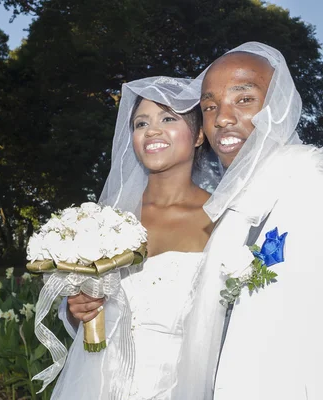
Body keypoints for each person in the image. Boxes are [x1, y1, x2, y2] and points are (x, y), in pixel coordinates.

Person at [173, 42, 323, 399]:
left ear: (279, 108)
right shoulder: (233, 208)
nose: (222, 118)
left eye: (244, 99)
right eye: (210, 106)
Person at [52, 76, 219, 400]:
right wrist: (79, 308)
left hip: (178, 386)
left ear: (199, 134)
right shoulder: (105, 219)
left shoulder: (219, 219)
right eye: (141, 123)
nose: (152, 130)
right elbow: (80, 313)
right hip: (97, 382)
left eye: (168, 118)